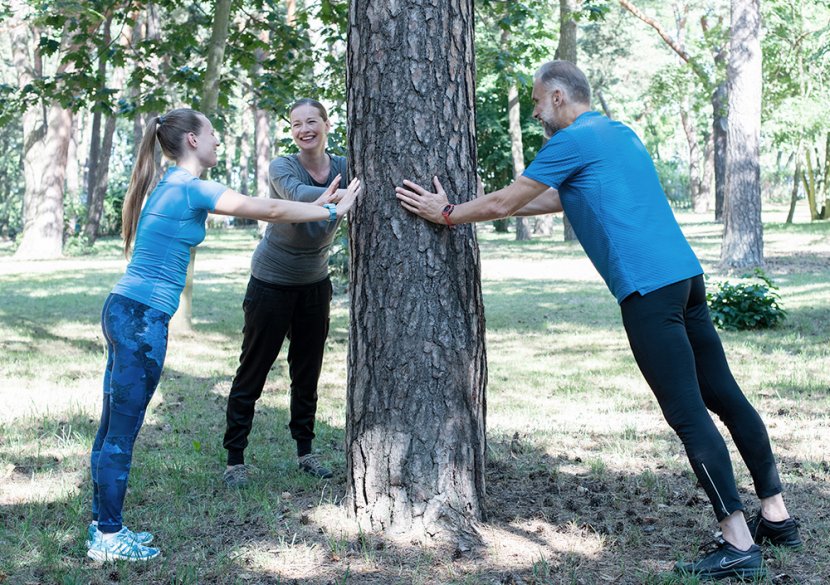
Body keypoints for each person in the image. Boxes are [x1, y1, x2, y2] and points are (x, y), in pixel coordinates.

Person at [395, 60, 801, 581]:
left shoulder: (569, 141)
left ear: (560, 96)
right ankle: (777, 516)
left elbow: (504, 201)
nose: (537, 110)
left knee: (688, 414)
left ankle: (738, 542)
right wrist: (484, 205)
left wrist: (448, 212)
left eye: (539, 101)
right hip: (684, 278)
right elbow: (553, 198)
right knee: (725, 396)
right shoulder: (617, 133)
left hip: (647, 291)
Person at [87, 107, 361, 562]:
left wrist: (324, 204)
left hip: (125, 310)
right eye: (212, 133)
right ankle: (108, 535)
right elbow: (269, 208)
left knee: (111, 429)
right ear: (192, 141)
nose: (218, 140)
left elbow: (276, 206)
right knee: (121, 431)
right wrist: (334, 207)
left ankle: (104, 528)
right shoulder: (191, 188)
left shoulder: (170, 185)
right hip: (140, 320)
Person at [222, 98, 348, 488]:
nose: (304, 129)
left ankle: (305, 452)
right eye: (296, 124)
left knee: (306, 372)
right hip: (271, 283)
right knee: (253, 370)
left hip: (314, 283)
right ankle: (235, 460)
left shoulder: (345, 166)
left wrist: (346, 192)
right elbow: (294, 195)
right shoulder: (283, 167)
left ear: (326, 124)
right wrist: (342, 196)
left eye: (312, 121)